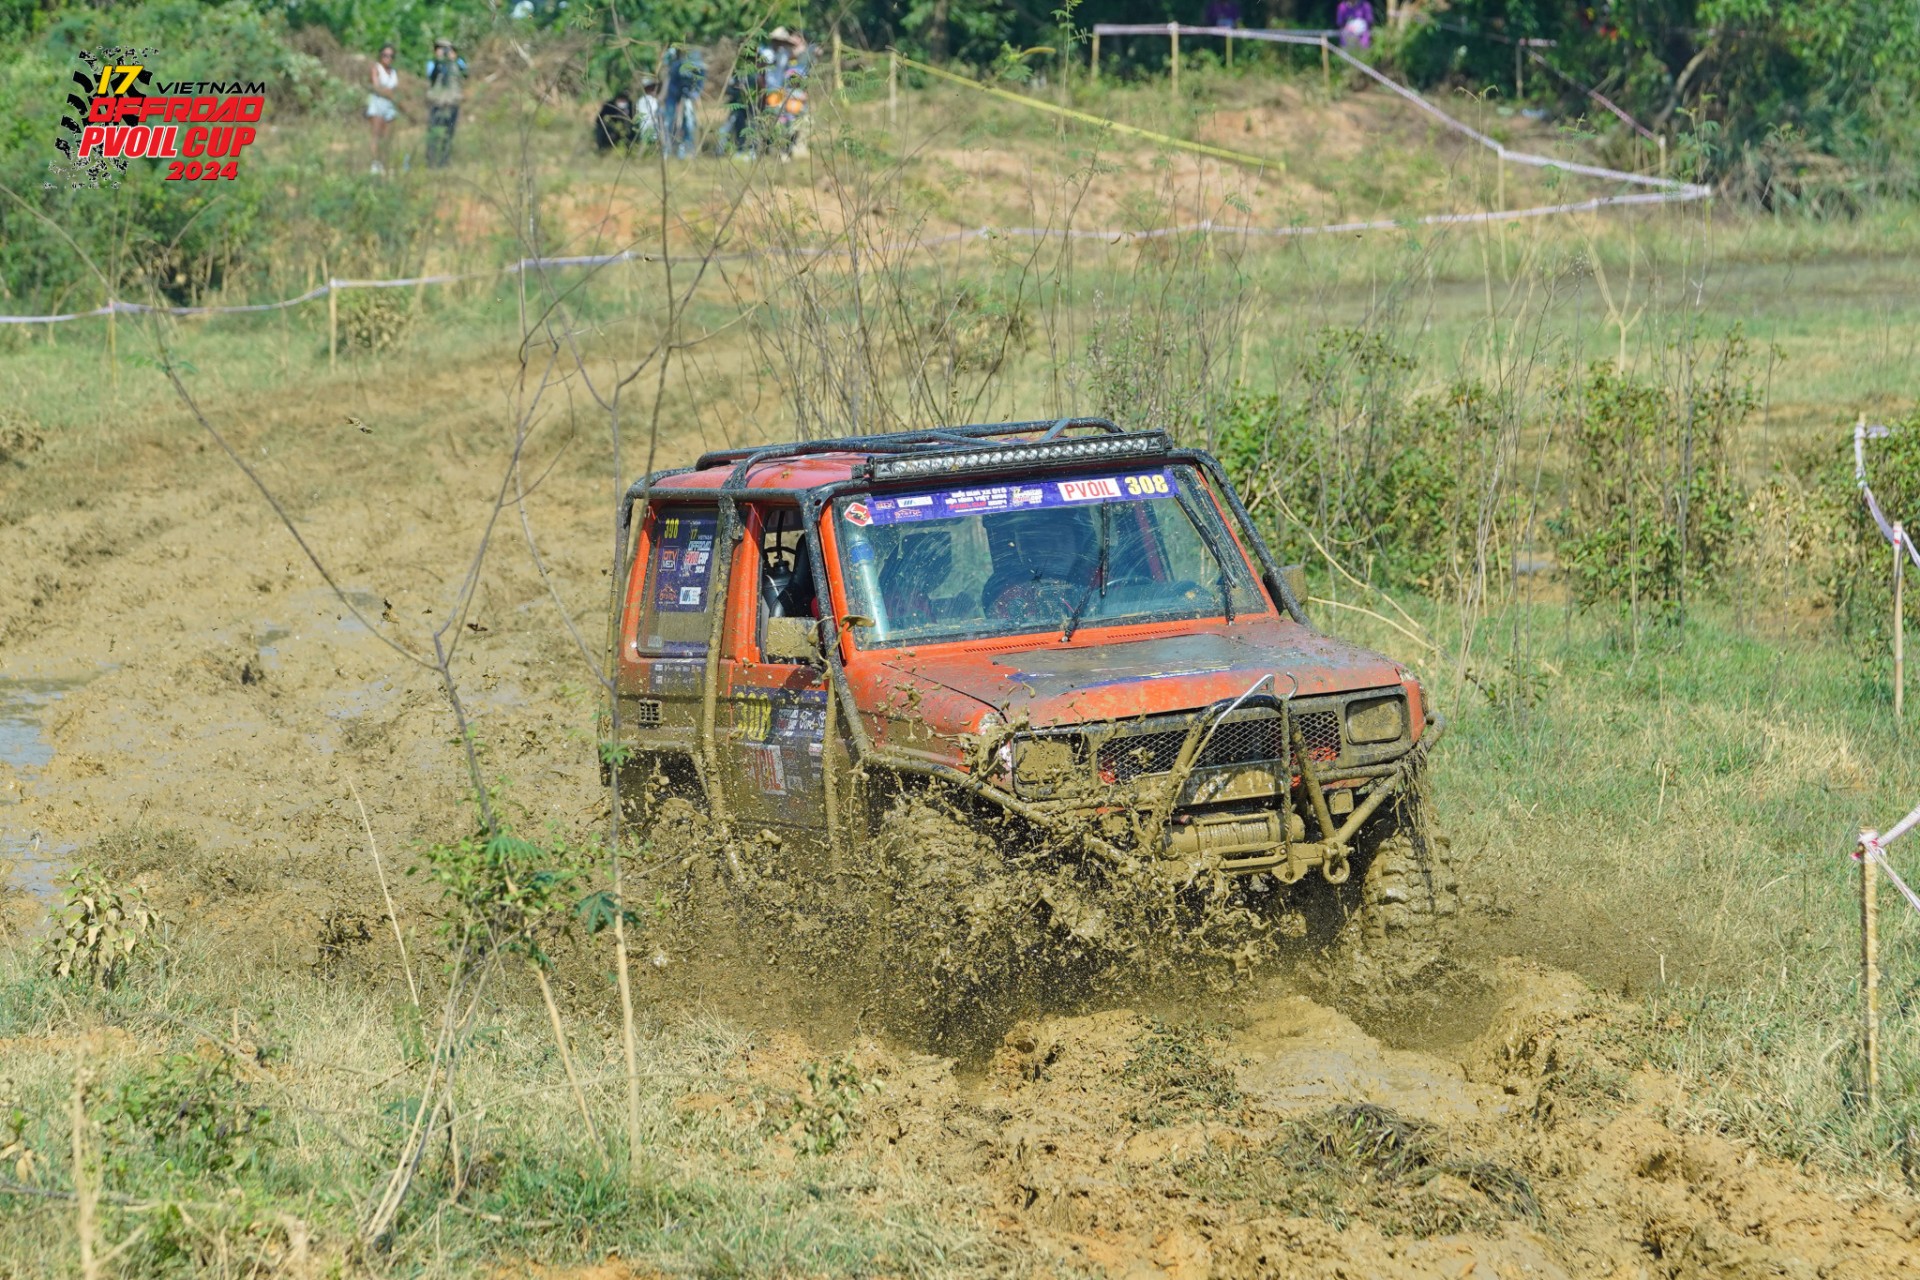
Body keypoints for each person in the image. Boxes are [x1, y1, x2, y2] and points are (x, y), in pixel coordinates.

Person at [424, 38, 466, 169]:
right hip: (437, 103)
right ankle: (431, 161)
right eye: (440, 48)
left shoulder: (457, 62)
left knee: (449, 133)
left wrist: (454, 59)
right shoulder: (432, 63)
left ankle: (444, 160)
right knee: (434, 133)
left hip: (452, 103)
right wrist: (439, 61)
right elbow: (431, 76)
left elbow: (465, 72)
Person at [661, 46, 706, 159]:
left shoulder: (701, 69)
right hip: (673, 97)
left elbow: (699, 85)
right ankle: (668, 148)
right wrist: (678, 98)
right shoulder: (677, 67)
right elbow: (672, 85)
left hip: (688, 98)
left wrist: (693, 95)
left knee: (690, 123)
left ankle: (688, 148)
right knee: (670, 121)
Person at [366, 43, 399, 174]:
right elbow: (376, 87)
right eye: (385, 55)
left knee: (387, 136)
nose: (388, 58)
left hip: (390, 106)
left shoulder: (393, 72)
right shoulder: (376, 68)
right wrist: (389, 94)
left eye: (390, 56)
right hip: (378, 103)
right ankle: (375, 163)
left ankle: (384, 162)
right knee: (376, 134)